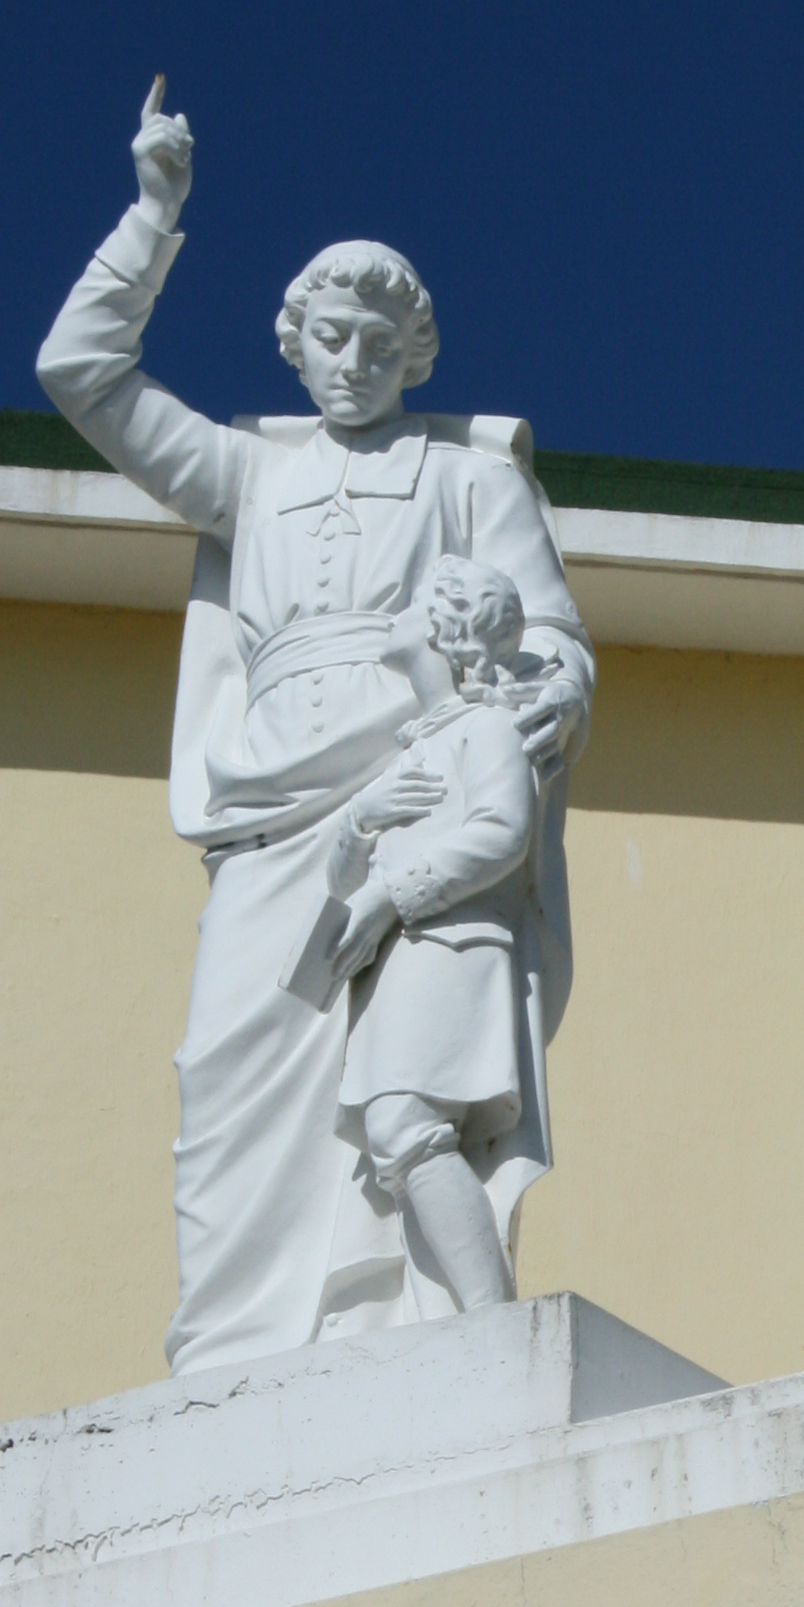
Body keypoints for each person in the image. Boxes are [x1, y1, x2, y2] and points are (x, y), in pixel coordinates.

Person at [35, 90, 591, 1366]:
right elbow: (80, 373)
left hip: (409, 795)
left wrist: (534, 694)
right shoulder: (251, 480)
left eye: (380, 343)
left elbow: (554, 643)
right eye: (331, 337)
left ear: (415, 357)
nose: (353, 361)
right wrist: (152, 216)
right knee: (228, 1069)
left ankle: (423, 1323)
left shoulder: (471, 480)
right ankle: (233, 1351)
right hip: (271, 809)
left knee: (401, 1091)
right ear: (296, 345)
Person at [284, 557, 548, 1316]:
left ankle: (491, 1316)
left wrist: (393, 896)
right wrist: (359, 821)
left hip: (448, 950)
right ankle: (456, 1320)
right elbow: (342, 881)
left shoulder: (486, 728)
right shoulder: (411, 751)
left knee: (406, 1124)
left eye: (409, 602)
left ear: (443, 625)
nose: (391, 614)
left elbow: (502, 834)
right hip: (394, 964)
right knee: (399, 1144)